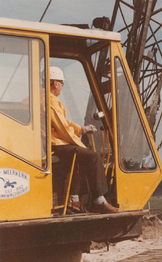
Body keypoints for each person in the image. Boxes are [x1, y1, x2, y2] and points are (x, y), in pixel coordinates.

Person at [49, 66, 119, 214]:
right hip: (55, 144)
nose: (62, 86)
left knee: (79, 156)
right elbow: (62, 128)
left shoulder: (46, 99)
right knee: (92, 156)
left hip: (53, 143)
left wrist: (82, 128)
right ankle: (98, 200)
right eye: (62, 83)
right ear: (56, 83)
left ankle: (74, 199)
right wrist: (79, 140)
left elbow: (63, 123)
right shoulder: (50, 101)